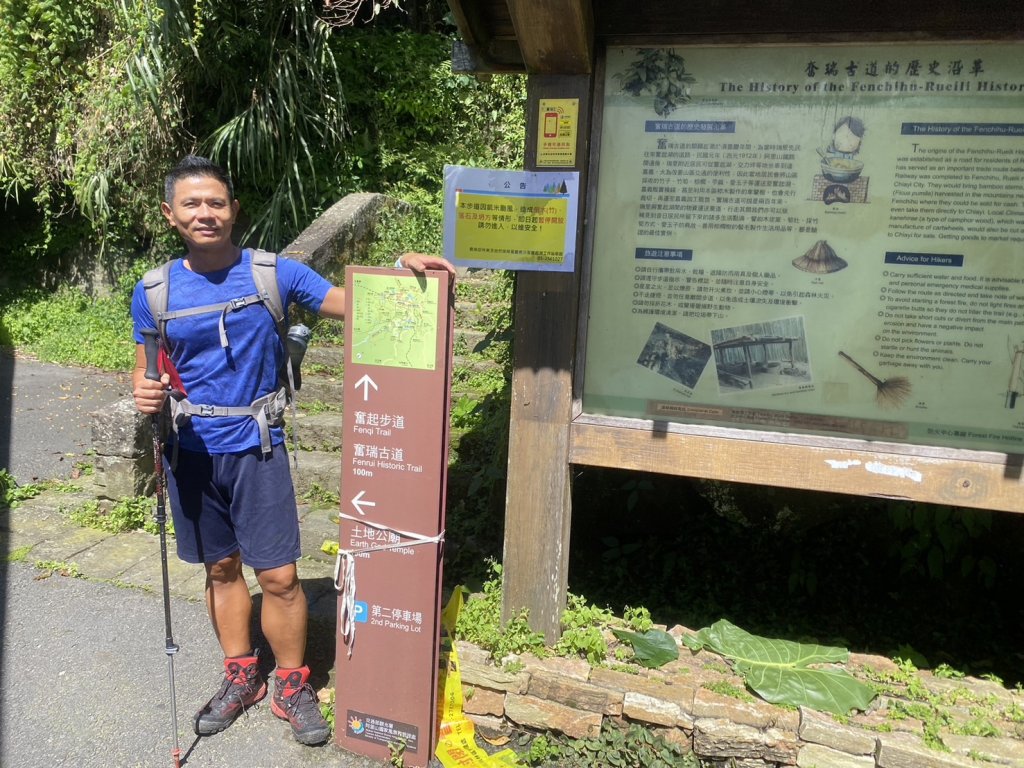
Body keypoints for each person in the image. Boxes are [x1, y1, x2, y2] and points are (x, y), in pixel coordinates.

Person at [131, 154, 455, 745]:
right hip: (192, 453)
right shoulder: (153, 290)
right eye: (192, 204)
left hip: (257, 447)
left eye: (216, 203)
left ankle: (290, 682)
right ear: (171, 215)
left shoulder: (272, 273)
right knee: (221, 567)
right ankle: (241, 675)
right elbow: (146, 371)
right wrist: (145, 392)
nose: (205, 213)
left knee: (279, 576)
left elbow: (355, 303)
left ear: (234, 210)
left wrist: (400, 269)